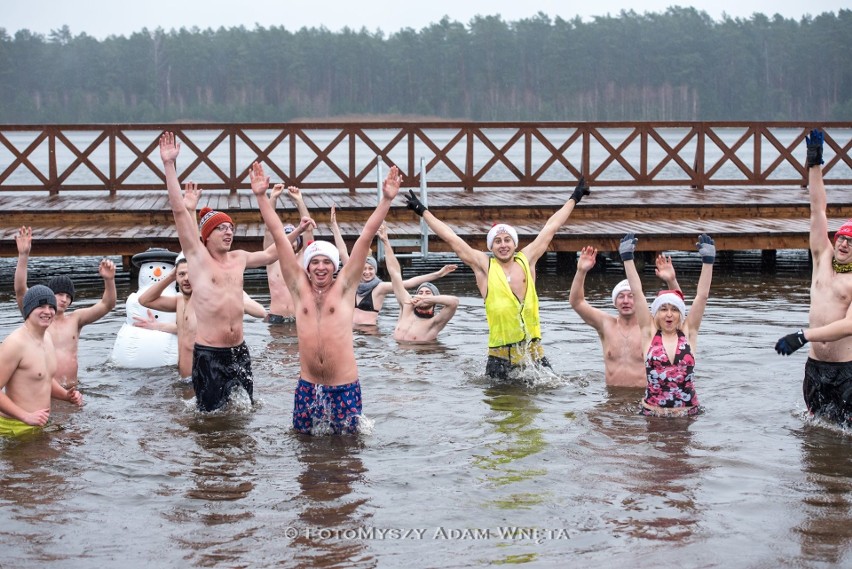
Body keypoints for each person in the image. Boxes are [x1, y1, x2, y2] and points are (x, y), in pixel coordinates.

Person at [251, 160, 401, 434]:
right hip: (308, 387)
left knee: (347, 459)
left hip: (343, 385)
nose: (321, 267)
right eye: (315, 262)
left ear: (335, 267)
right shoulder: (299, 289)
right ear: (307, 266)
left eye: (326, 262)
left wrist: (386, 200)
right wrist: (262, 197)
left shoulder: (344, 289)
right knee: (303, 451)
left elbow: (366, 237)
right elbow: (279, 237)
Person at [403, 177, 590, 379]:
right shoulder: (484, 266)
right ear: (491, 247)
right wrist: (423, 211)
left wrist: (575, 197)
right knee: (499, 406)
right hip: (499, 358)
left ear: (514, 243)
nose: (503, 245)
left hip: (533, 355)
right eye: (497, 241)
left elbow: (551, 226)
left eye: (507, 240)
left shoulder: (527, 259)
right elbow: (451, 238)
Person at [159, 131, 279, 412]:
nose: (229, 232)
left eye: (231, 228)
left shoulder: (239, 258)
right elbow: (179, 213)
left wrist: (290, 225)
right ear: (206, 235)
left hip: (239, 351)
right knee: (210, 423)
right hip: (210, 355)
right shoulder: (198, 258)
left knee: (246, 413)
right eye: (222, 228)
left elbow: (274, 252)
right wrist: (169, 166)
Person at [774, 129, 852, 427]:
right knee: (815, 437)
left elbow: (848, 326)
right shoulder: (822, 257)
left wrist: (802, 335)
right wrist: (815, 164)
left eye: (850, 242)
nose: (843, 245)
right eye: (841, 239)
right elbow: (817, 208)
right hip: (815, 368)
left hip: (846, 370)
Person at [620, 232, 715, 417]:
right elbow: (637, 293)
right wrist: (627, 259)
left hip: (687, 415)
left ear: (680, 314)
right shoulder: (649, 333)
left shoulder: (688, 333)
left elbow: (701, 296)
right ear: (656, 313)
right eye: (663, 309)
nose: (669, 314)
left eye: (674, 309)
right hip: (653, 415)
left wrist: (708, 262)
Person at [14, 226, 117, 389]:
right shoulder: (36, 317)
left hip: (72, 389)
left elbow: (107, 304)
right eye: (60, 294)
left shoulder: (76, 319)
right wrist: (23, 255)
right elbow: (20, 290)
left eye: (68, 296)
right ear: (49, 294)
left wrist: (109, 280)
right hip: (43, 390)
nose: (64, 299)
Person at [133, 256, 268, 380]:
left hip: (206, 377)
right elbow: (144, 300)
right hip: (184, 377)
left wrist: (231, 298)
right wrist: (158, 326)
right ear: (176, 278)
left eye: (190, 274)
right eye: (181, 274)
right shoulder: (179, 301)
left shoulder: (209, 300)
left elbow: (260, 311)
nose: (186, 278)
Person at [570, 246, 681, 387]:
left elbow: (679, 309)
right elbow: (576, 302)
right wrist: (581, 271)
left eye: (631, 296)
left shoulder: (653, 326)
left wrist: (671, 280)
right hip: (612, 400)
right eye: (621, 297)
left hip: (643, 400)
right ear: (615, 302)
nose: (626, 301)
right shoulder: (605, 324)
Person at [0, 285, 83, 437]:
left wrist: (66, 396)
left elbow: (44, 378)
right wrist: (25, 416)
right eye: (41, 306)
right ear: (28, 310)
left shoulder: (47, 339)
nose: (47, 311)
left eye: (51, 307)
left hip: (39, 423)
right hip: (14, 427)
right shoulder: (15, 343)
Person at [378, 224, 459, 342]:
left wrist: (428, 300)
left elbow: (454, 302)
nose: (422, 294)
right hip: (396, 356)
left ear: (434, 298)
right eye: (420, 292)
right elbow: (395, 274)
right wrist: (385, 241)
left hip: (422, 358)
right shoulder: (406, 306)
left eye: (427, 293)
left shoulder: (434, 323)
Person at [263, 183, 316, 324]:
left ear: (298, 243)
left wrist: (299, 200)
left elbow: (308, 229)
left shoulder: (303, 260)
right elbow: (269, 229)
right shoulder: (272, 260)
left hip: (300, 318)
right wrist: (273, 198)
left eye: (293, 240)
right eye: (286, 238)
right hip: (276, 318)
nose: (290, 243)